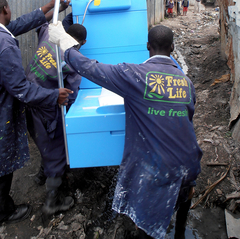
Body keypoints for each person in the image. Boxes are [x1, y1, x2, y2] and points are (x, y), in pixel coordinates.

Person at [48, 22, 203, 239]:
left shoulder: (134, 75)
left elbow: (89, 67)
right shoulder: (186, 82)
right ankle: (179, 233)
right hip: (189, 164)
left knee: (146, 224)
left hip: (156, 169)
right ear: (173, 47)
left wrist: (65, 42)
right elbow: (186, 119)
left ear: (147, 46)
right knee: (181, 202)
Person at [0, 0, 73, 239]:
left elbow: (17, 25)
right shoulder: (3, 45)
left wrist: (48, 6)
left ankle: (2, 212)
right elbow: (21, 89)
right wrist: (52, 95)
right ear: (5, 9)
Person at [25, 21, 87, 215]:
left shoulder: (49, 35)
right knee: (56, 148)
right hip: (45, 107)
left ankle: (41, 176)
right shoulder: (74, 60)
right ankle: (52, 201)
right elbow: (71, 96)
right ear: (83, 42)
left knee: (40, 139)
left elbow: (42, 25)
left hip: (26, 98)